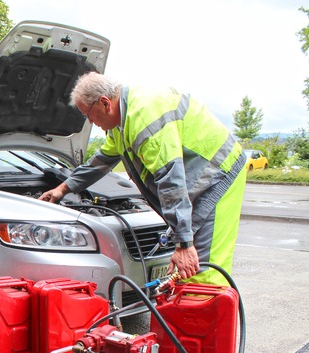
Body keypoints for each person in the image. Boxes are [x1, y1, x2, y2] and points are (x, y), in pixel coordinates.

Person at [39, 72, 246, 286]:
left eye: (89, 115)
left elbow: (170, 181)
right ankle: (189, 311)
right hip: (196, 181)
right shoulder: (121, 124)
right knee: (187, 272)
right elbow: (100, 162)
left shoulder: (144, 118)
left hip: (218, 174)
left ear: (105, 103)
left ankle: (205, 308)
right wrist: (63, 188)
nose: (90, 121)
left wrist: (183, 244)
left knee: (203, 268)